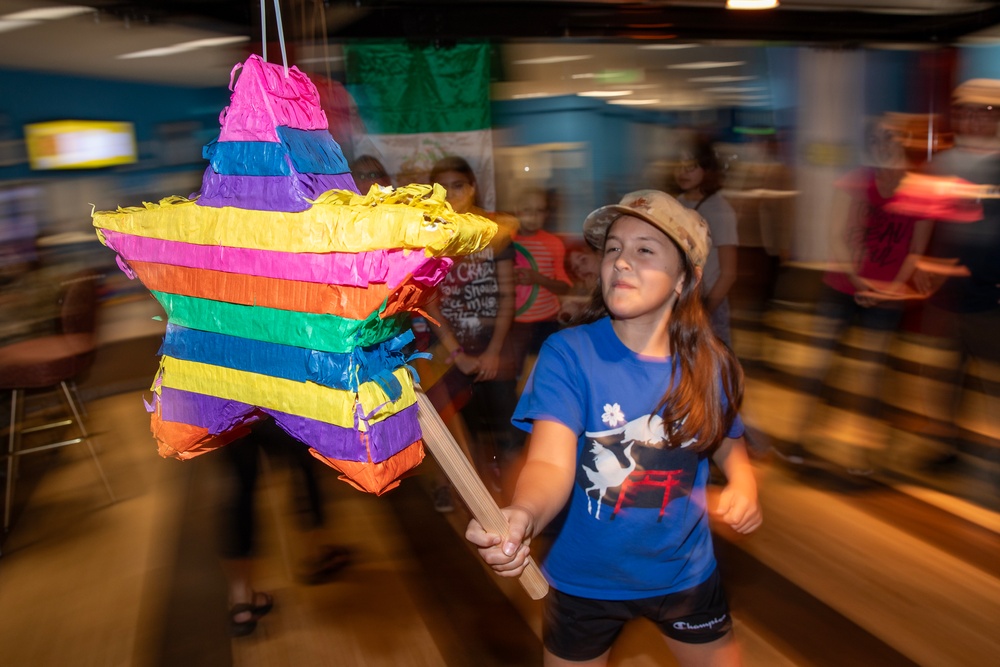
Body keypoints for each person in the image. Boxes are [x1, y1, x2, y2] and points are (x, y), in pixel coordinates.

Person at [466, 189, 762, 667]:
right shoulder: (569, 354)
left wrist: (744, 482)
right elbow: (548, 461)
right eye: (613, 249)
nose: (622, 262)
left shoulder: (712, 364)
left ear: (686, 278)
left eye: (646, 249)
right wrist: (525, 512)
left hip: (684, 576)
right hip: (583, 580)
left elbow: (726, 437)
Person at [422, 155, 520, 508]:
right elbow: (429, 299)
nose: (451, 193)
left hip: (493, 344)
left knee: (501, 429)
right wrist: (457, 354)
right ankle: (456, 487)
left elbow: (508, 295)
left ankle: (510, 497)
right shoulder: (433, 235)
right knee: (443, 426)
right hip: (450, 347)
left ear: (473, 187)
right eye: (443, 187)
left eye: (459, 185)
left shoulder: (495, 232)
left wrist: (494, 350)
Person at [912, 79, 1000, 471]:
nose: (973, 120)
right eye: (965, 112)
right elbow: (925, 214)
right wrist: (919, 258)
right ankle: (946, 444)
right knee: (946, 375)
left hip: (992, 292)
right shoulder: (944, 163)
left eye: (983, 113)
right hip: (951, 291)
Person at [220, 420, 352, 637]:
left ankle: (241, 598)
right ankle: (316, 553)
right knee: (305, 452)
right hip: (275, 395)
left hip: (228, 399)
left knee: (239, 483)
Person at [672, 140, 739, 346]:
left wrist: (705, 310)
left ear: (707, 169)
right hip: (680, 302)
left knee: (713, 368)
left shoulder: (719, 210)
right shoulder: (677, 203)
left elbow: (728, 272)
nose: (682, 172)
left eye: (690, 166)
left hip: (708, 304)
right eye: (678, 166)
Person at [509, 186, 572, 380]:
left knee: (543, 372)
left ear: (546, 213)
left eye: (539, 210)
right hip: (513, 322)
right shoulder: (506, 242)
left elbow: (564, 285)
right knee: (515, 373)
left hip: (545, 321)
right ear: (516, 211)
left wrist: (538, 279)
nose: (533, 216)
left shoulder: (553, 243)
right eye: (527, 210)